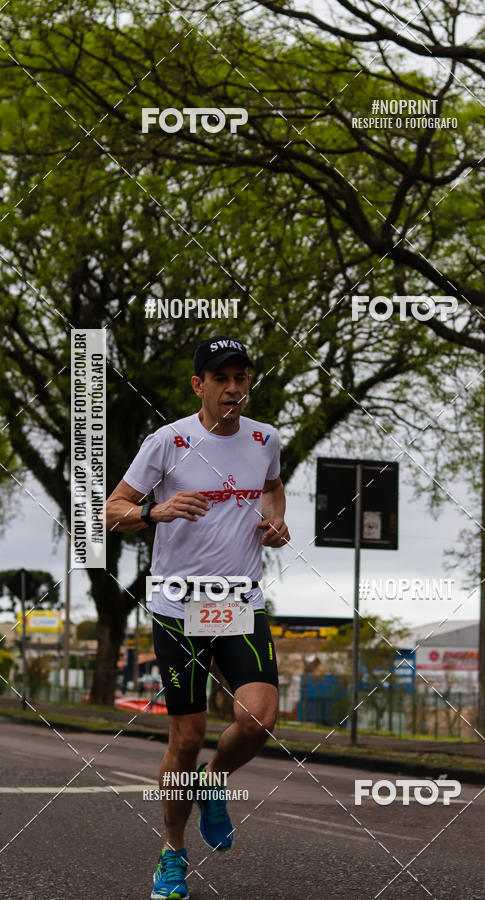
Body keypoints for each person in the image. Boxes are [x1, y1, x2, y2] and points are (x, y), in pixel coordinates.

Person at [105, 335, 290, 900]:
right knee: (186, 738)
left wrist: (274, 521)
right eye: (221, 379)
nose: (233, 388)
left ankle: (214, 781)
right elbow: (111, 511)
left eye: (241, 378)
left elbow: (273, 488)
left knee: (259, 719)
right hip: (177, 605)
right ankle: (172, 853)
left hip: (238, 600)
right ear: (198, 385)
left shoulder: (265, 439)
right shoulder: (168, 441)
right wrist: (155, 511)